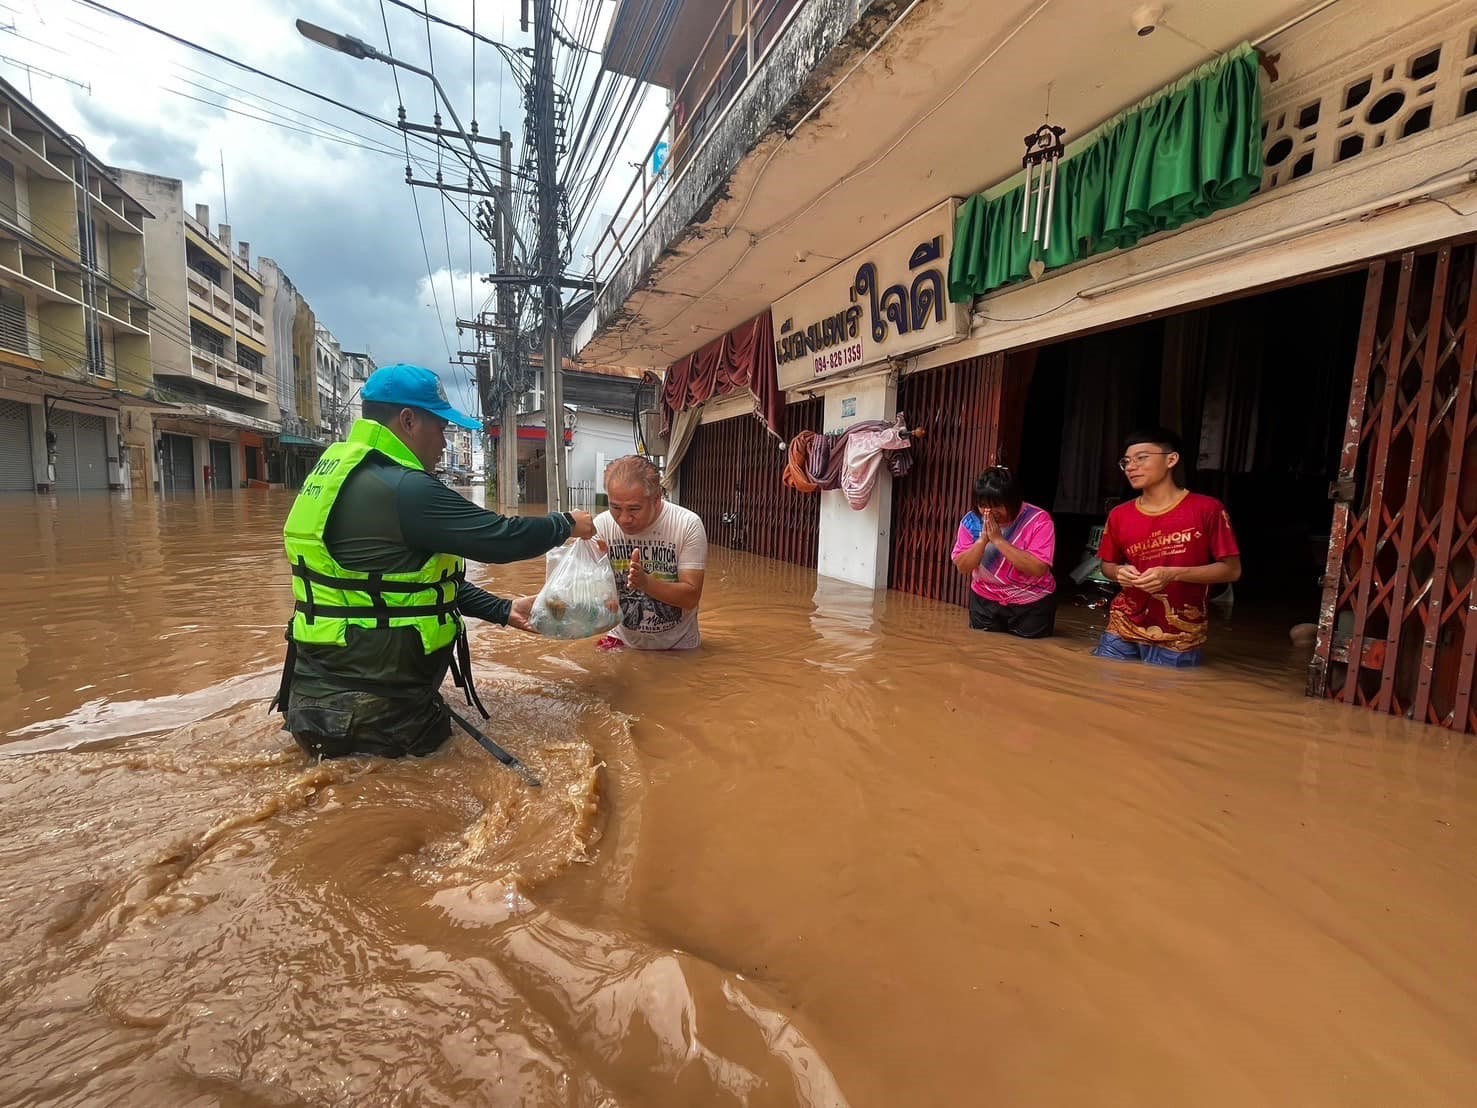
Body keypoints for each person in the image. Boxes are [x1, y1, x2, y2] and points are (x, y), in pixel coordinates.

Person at [273, 363, 595, 758]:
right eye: (440, 427)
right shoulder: (404, 490)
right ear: (408, 420)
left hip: (317, 700)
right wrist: (567, 524)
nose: (444, 442)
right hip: (379, 716)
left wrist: (503, 609)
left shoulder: (337, 473)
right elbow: (499, 538)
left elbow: (401, 588)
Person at [1093, 427, 1241, 667]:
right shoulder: (1119, 515)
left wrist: (1173, 573)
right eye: (1126, 462)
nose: (1131, 467)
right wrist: (1119, 572)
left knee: (1165, 699)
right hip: (1123, 624)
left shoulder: (1207, 509)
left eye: (1142, 458)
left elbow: (1232, 570)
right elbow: (1107, 565)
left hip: (1180, 633)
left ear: (1171, 460)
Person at [593, 455, 706, 650]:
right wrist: (595, 576)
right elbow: (586, 592)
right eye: (615, 507)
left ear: (656, 499)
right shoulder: (601, 526)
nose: (623, 519)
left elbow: (690, 597)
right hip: (621, 640)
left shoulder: (687, 524)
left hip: (678, 646)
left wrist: (645, 583)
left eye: (634, 509)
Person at [950, 466, 1057, 638]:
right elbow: (962, 567)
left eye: (996, 506)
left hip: (1032, 602)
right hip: (985, 599)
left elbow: (1039, 568)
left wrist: (998, 540)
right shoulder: (971, 521)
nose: (988, 512)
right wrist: (982, 540)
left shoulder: (1038, 520)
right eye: (983, 505)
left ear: (1013, 502)